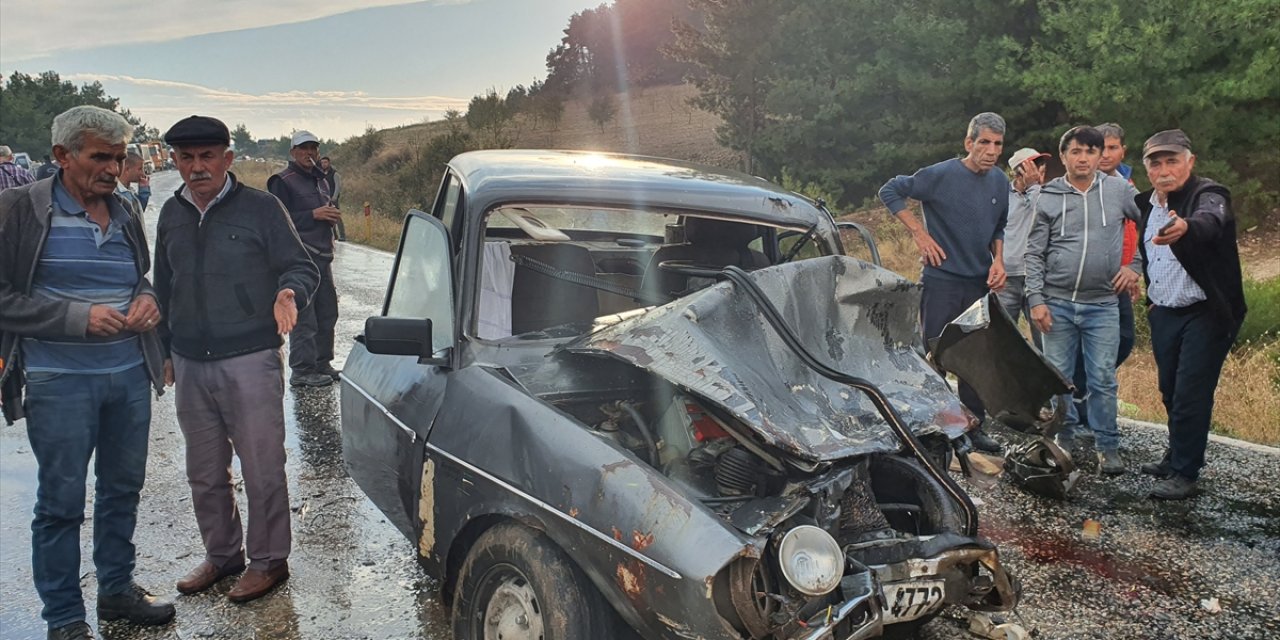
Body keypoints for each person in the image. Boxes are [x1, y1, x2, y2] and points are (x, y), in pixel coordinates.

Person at [0, 106, 173, 640]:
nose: (114, 169)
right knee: (61, 503)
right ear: (61, 156)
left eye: (120, 158)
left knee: (122, 489)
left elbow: (138, 277)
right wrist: (76, 319)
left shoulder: (124, 209)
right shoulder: (17, 209)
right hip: (59, 381)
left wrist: (148, 299)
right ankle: (65, 619)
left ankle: (117, 592)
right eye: (101, 157)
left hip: (128, 376)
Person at [155, 115, 319, 602]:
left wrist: (288, 293)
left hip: (250, 357)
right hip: (189, 361)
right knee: (205, 471)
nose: (197, 167)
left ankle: (269, 562)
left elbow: (299, 264)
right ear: (176, 161)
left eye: (207, 157)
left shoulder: (262, 208)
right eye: (187, 158)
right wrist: (164, 349)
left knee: (262, 467)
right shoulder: (170, 212)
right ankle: (223, 556)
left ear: (227, 159)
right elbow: (164, 285)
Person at [879, 112, 1010, 453]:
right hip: (942, 280)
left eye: (997, 144)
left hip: (978, 282)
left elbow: (999, 227)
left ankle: (973, 426)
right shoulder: (941, 174)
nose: (991, 150)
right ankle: (938, 428)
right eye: (984, 142)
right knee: (937, 353)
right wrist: (920, 234)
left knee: (975, 357)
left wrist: (999, 260)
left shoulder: (999, 181)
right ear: (969, 143)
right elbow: (890, 190)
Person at [1134, 130, 1245, 500]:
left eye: (1172, 161)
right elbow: (1150, 257)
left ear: (1190, 162)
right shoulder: (1146, 205)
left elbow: (1209, 221)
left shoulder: (1208, 195)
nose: (1165, 170)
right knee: (1169, 389)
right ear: (1147, 168)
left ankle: (1185, 472)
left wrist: (1185, 227)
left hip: (1207, 312)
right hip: (1165, 311)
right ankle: (1175, 455)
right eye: (1156, 162)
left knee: (1191, 394)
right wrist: (1153, 298)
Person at [1024, 126, 1142, 475]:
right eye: (1076, 152)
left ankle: (1108, 447)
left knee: (1102, 377)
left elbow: (1147, 225)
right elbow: (1034, 253)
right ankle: (1064, 439)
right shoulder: (1048, 195)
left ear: (1099, 155)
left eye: (1091, 151)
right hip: (1056, 303)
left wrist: (1134, 266)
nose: (1084, 158)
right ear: (1064, 157)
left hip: (1103, 304)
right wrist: (1035, 300)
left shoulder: (1119, 190)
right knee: (1060, 378)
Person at [1071, 123, 1139, 432]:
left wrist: (1134, 270)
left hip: (1119, 281)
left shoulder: (1127, 186)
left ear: (1122, 150)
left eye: (1114, 148)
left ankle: (1078, 393)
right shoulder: (1081, 185)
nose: (1107, 154)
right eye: (1102, 148)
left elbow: (1142, 230)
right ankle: (1075, 406)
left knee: (1123, 341)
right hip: (1084, 284)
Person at [267, 131, 340, 388]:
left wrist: (330, 217)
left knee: (328, 311)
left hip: (322, 254)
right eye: (303, 148)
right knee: (305, 316)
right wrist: (313, 215)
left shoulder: (321, 179)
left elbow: (324, 209)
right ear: (292, 153)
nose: (309, 153)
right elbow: (276, 224)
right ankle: (302, 370)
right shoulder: (281, 181)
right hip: (299, 257)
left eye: (313, 148)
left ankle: (322, 363)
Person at [999, 147, 1050, 348]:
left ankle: (1046, 379)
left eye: (1039, 165)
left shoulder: (1044, 194)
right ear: (1017, 170)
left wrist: (1033, 187)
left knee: (1045, 339)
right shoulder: (1002, 196)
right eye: (1032, 165)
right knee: (1003, 338)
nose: (1037, 170)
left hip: (1036, 277)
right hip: (1006, 277)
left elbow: (1041, 213)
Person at [115, 151, 151, 217]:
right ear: (127, 169)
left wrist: (143, 188)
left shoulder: (129, 191)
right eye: (140, 169)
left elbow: (139, 211)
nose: (143, 174)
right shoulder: (115, 194)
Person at [320, 156, 345, 241]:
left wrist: (334, 197)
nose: (324, 164)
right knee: (328, 217)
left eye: (325, 162)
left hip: (333, 198)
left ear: (329, 163)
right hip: (324, 198)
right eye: (322, 163)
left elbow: (338, 186)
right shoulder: (321, 173)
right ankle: (334, 235)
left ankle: (342, 235)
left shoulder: (334, 174)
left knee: (337, 217)